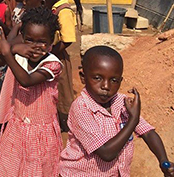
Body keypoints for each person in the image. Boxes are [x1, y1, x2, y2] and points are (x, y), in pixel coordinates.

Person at [59, 46, 174, 177]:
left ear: (120, 81)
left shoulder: (122, 103)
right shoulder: (81, 108)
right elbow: (106, 153)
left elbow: (147, 132)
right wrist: (133, 120)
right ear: (83, 77)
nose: (106, 86)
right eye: (97, 78)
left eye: (114, 80)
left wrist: (163, 161)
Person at [0, 7, 63, 177]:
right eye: (29, 40)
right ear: (22, 37)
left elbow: (26, 81)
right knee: (11, 165)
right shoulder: (21, 55)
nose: (35, 47)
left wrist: (8, 52)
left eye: (42, 42)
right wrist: (12, 51)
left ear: (51, 42)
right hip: (18, 124)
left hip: (40, 131)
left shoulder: (53, 64)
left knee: (37, 167)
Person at [46, 0, 83, 132]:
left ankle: (65, 126)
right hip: (50, 55)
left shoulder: (64, 10)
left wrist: (51, 52)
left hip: (58, 56)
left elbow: (68, 40)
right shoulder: (53, 4)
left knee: (62, 91)